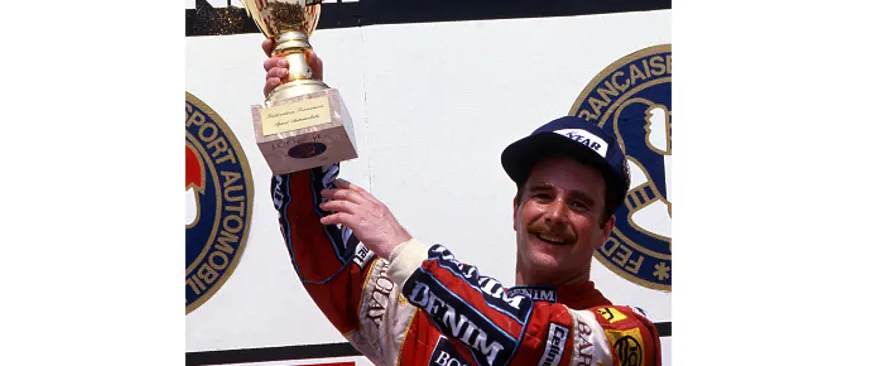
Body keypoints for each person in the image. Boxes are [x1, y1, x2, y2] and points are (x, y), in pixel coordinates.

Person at [262, 40, 662, 366]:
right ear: (516, 210)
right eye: (542, 195)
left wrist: (404, 251)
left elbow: (527, 341)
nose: (555, 215)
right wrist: (299, 111)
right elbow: (328, 264)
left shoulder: (627, 338)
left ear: (605, 230)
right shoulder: (435, 326)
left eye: (579, 205)